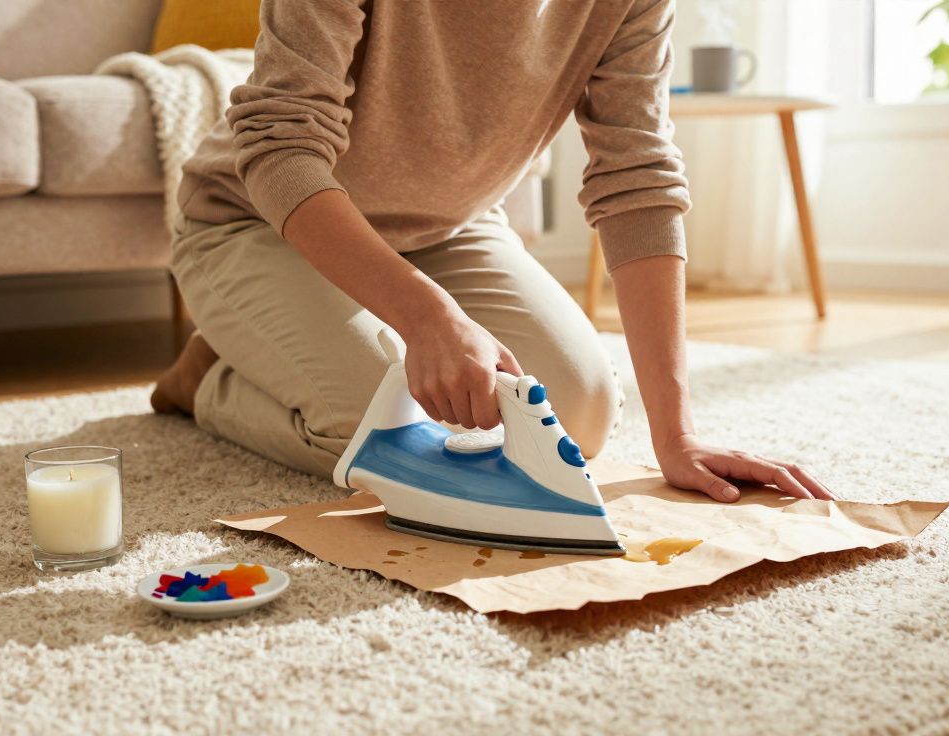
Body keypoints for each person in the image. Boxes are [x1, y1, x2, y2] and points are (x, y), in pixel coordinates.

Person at [151, 0, 834, 503]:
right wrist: (429, 317)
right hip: (255, 223)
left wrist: (676, 435)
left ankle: (287, 342)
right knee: (386, 431)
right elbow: (280, 145)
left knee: (579, 414)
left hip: (450, 230)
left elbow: (638, 176)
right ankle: (211, 380)